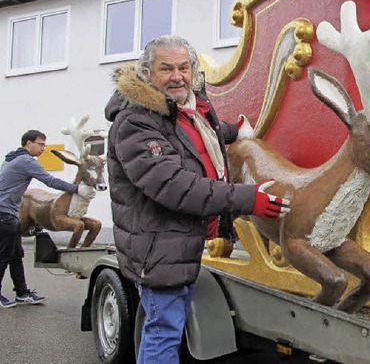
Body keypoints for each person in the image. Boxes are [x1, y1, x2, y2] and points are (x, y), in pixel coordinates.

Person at [105, 34, 290, 363]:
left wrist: (237, 131)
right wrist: (247, 199)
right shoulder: (135, 122)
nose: (177, 75)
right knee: (163, 331)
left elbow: (203, 137)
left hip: (180, 241)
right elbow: (173, 186)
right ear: (147, 73)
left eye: (183, 67)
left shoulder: (187, 110)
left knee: (167, 328)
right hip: (158, 245)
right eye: (166, 68)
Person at [0, 130, 94, 308]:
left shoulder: (12, 158)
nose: (44, 148)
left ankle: (22, 293)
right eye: (41, 144)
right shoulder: (26, 161)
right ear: (29, 143)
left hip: (7, 214)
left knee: (16, 256)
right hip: (5, 215)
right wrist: (76, 189)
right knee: (4, 256)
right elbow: (49, 180)